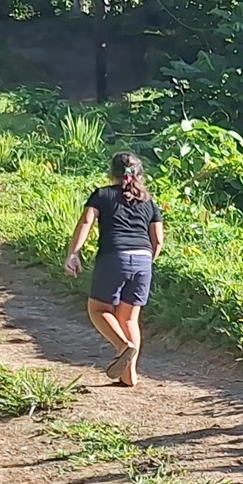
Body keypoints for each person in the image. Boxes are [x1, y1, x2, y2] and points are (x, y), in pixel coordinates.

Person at [62, 152, 165, 385]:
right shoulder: (149, 201)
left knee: (98, 309)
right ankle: (130, 377)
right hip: (143, 259)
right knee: (129, 319)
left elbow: (86, 222)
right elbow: (158, 240)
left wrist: (74, 253)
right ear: (139, 174)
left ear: (112, 173)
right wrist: (147, 262)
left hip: (114, 256)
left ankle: (122, 346)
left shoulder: (102, 195)